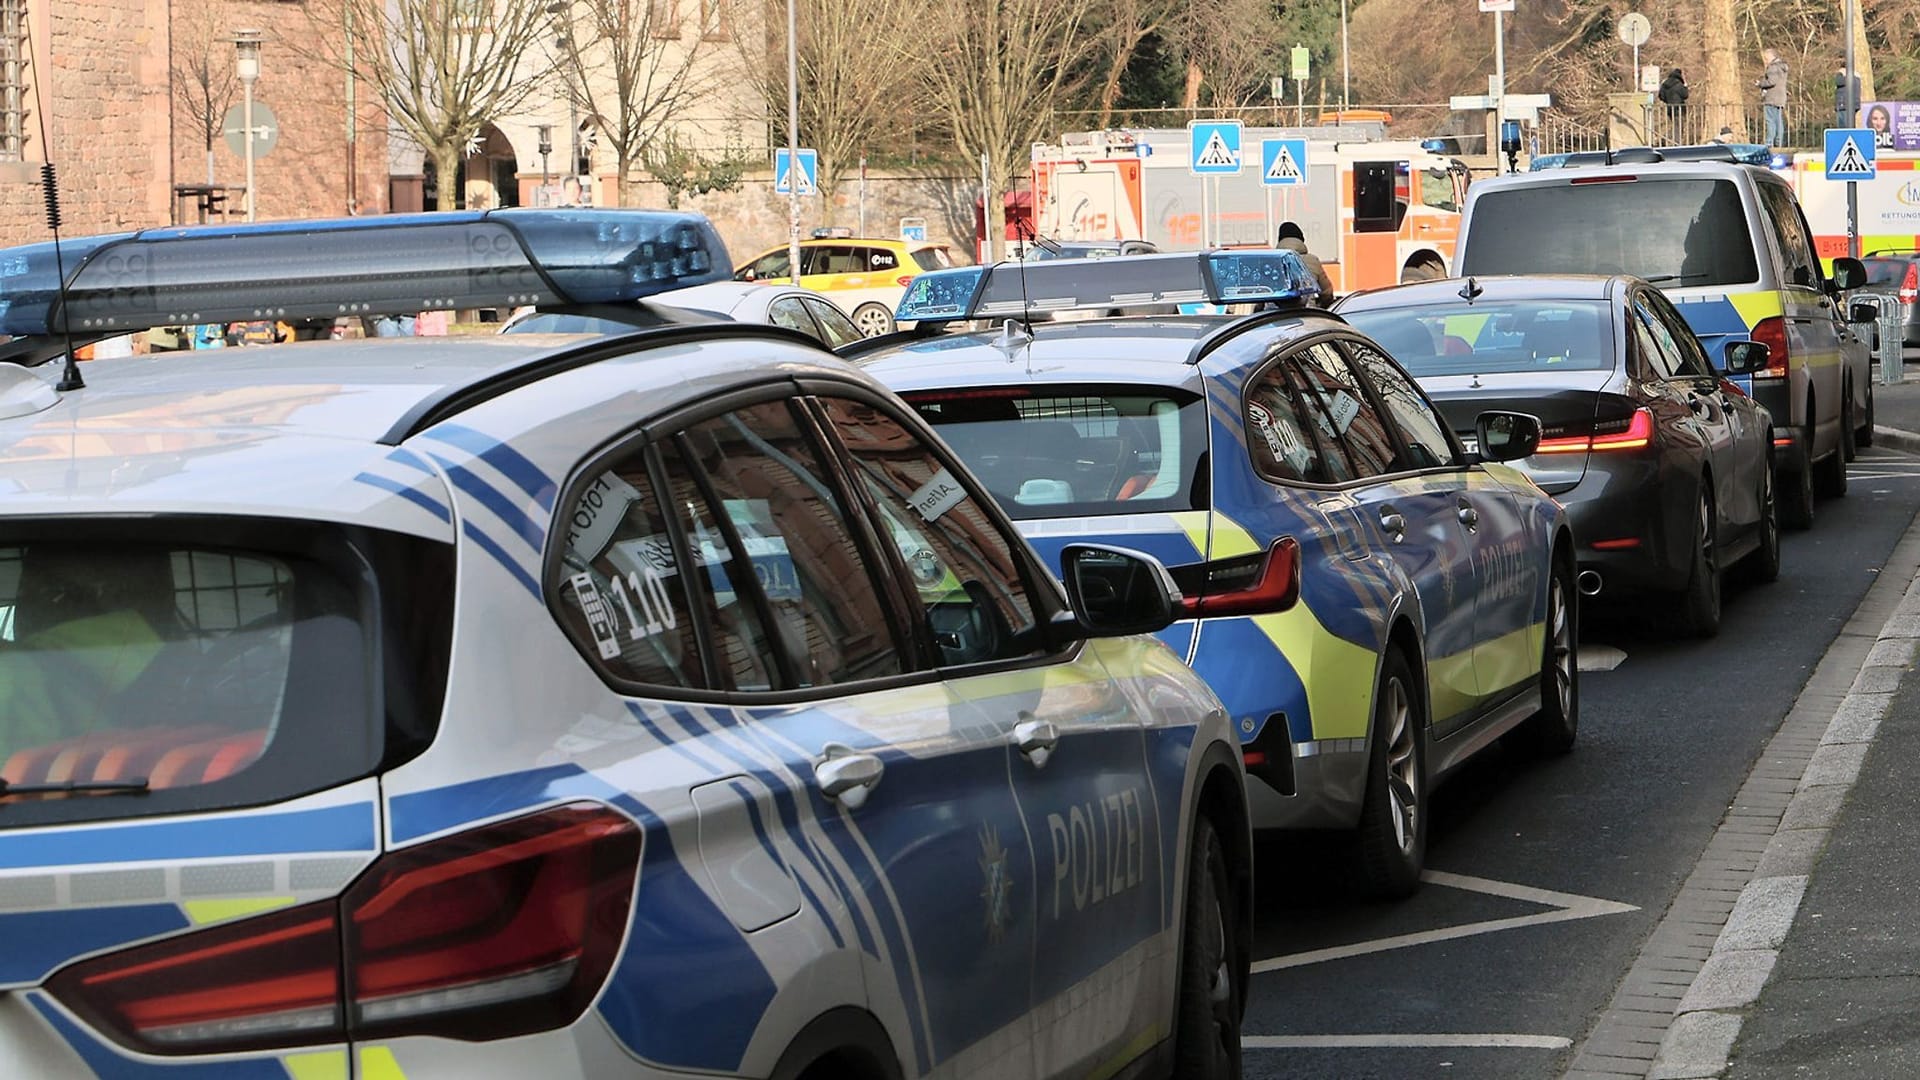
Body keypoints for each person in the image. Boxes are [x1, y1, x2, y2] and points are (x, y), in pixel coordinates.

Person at [1275, 221, 1335, 306]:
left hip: (1275, 316)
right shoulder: (1312, 260)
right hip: (1306, 314)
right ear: (1301, 240)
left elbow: (1262, 297)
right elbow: (1327, 293)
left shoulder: (1271, 262)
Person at [1756, 48, 1789, 147]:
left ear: (1771, 56)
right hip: (1780, 97)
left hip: (1772, 98)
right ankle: (1779, 142)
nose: (1765, 60)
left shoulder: (1773, 67)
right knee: (1778, 121)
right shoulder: (1782, 67)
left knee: (1770, 121)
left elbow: (1771, 81)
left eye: (1766, 58)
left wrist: (1760, 84)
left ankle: (1769, 142)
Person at [1657, 69, 1690, 141]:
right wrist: (1685, 87)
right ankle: (1676, 142)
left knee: (1675, 126)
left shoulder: (1665, 84)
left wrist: (1667, 101)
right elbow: (1685, 95)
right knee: (1679, 126)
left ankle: (1667, 138)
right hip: (1679, 108)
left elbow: (1661, 96)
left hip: (1670, 108)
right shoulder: (1679, 84)